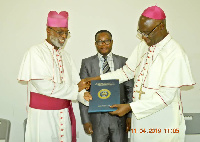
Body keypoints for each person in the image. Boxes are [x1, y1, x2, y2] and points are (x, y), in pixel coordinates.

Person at [85, 6, 195, 142]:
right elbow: (126, 72)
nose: (143, 37)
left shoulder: (175, 53)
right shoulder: (145, 45)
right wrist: (98, 78)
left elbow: (164, 97)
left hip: (162, 124)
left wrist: (130, 107)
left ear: (160, 27)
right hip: (140, 120)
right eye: (140, 32)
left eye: (147, 33)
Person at [18, 11, 91, 142]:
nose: (63, 36)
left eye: (66, 33)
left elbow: (76, 83)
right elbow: (44, 86)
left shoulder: (66, 56)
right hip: (43, 117)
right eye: (59, 32)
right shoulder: (35, 52)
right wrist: (76, 90)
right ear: (48, 30)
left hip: (64, 114)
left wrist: (83, 95)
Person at [79, 30, 134, 142]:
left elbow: (130, 90)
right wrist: (85, 120)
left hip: (120, 118)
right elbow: (82, 93)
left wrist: (129, 117)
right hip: (97, 118)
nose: (103, 44)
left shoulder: (124, 62)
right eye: (100, 42)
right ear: (95, 44)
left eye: (107, 41)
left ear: (112, 42)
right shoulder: (87, 63)